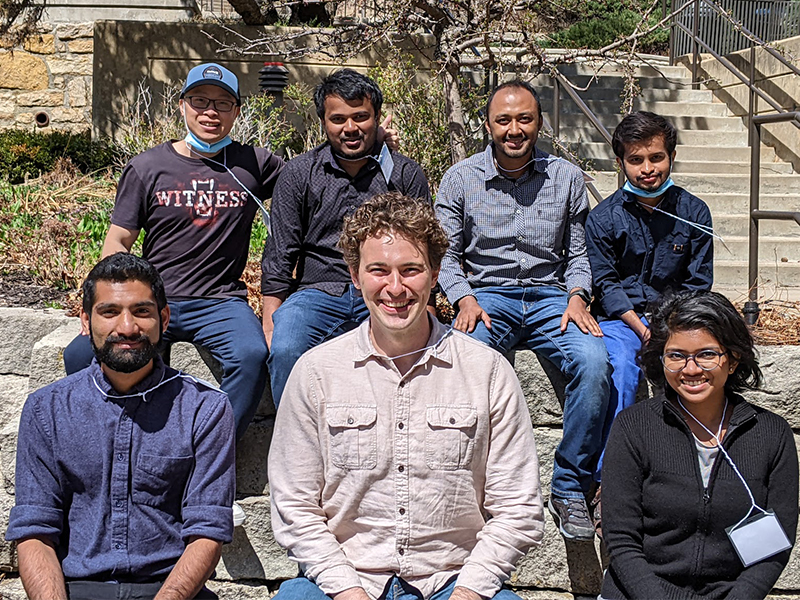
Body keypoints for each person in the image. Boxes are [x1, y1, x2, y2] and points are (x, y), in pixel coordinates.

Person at [63, 64, 400, 441]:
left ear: (237, 111)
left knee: (252, 356)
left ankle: (213, 454)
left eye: (223, 104)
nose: (211, 112)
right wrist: (101, 302)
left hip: (221, 302)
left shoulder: (253, 163)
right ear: (182, 105)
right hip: (155, 299)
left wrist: (375, 144)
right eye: (200, 101)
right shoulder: (146, 167)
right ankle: (101, 441)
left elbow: (318, 174)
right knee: (79, 354)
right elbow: (118, 241)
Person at [268, 193, 545, 600]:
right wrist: (348, 591)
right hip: (347, 579)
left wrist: (468, 593)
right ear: (355, 275)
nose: (395, 288)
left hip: (454, 580)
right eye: (378, 270)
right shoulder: (316, 373)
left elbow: (517, 508)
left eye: (411, 270)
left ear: (435, 275)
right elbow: (294, 506)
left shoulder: (487, 372)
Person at [435, 79, 611, 541]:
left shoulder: (566, 178)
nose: (514, 130)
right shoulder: (460, 179)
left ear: (539, 123)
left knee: (595, 362)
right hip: (487, 296)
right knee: (462, 361)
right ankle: (473, 484)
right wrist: (463, 298)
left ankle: (570, 487)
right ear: (488, 126)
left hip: (552, 297)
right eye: (504, 120)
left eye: (525, 119)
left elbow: (578, 254)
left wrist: (578, 295)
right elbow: (444, 255)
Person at [7, 253, 236, 600]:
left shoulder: (205, 409)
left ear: (163, 318)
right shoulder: (46, 409)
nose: (127, 327)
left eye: (141, 311)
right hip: (75, 589)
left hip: (171, 589)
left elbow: (208, 532)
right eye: (110, 312)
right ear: (86, 321)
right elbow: (35, 531)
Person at [601, 290, 798, 600]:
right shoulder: (634, 427)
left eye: (707, 354)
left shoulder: (771, 434)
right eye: (676, 355)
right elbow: (621, 540)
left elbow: (772, 547)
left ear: (732, 359)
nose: (691, 369)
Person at [261, 68, 430, 407]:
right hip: (317, 292)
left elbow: (423, 247)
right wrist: (271, 320)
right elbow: (280, 251)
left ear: (377, 118)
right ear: (323, 122)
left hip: (387, 289)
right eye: (338, 119)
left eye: (360, 117)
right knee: (288, 347)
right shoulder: (300, 173)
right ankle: (296, 438)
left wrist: (429, 308)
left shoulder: (404, 174)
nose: (350, 128)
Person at [585, 110, 714, 531]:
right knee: (622, 370)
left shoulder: (694, 212)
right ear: (620, 162)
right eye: (636, 160)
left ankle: (694, 478)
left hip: (678, 319)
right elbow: (605, 283)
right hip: (621, 321)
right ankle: (609, 482)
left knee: (694, 371)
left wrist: (665, 328)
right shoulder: (604, 217)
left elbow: (698, 283)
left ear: (671, 156)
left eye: (656, 158)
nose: (647, 169)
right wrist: (641, 328)